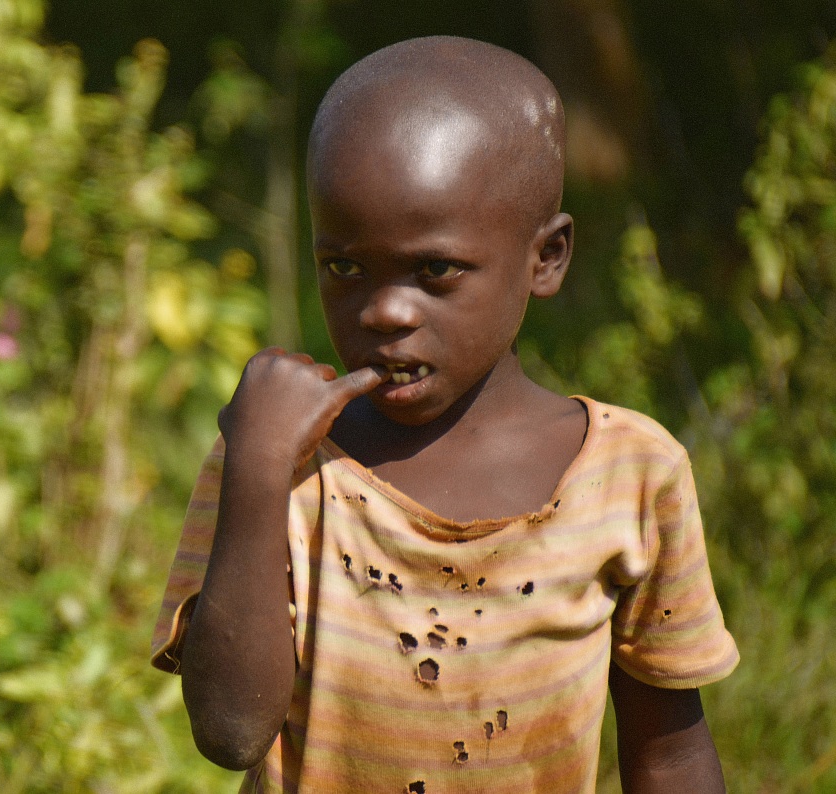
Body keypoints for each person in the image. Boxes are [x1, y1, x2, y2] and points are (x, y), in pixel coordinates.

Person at [150, 35, 738, 793]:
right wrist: (259, 470)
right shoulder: (286, 465)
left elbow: (671, 755)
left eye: (434, 270)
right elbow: (230, 733)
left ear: (547, 258)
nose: (385, 310)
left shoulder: (631, 477)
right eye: (344, 267)